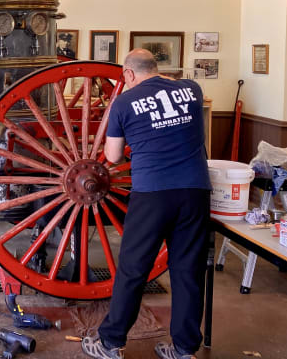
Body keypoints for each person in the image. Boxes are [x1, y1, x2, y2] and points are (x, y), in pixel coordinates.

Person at [81, 49, 212, 359]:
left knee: (133, 270)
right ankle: (183, 349)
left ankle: (111, 343)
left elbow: (112, 157)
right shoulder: (192, 89)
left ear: (128, 74)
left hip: (152, 193)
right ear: (158, 68)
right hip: (195, 190)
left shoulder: (124, 102)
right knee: (188, 271)